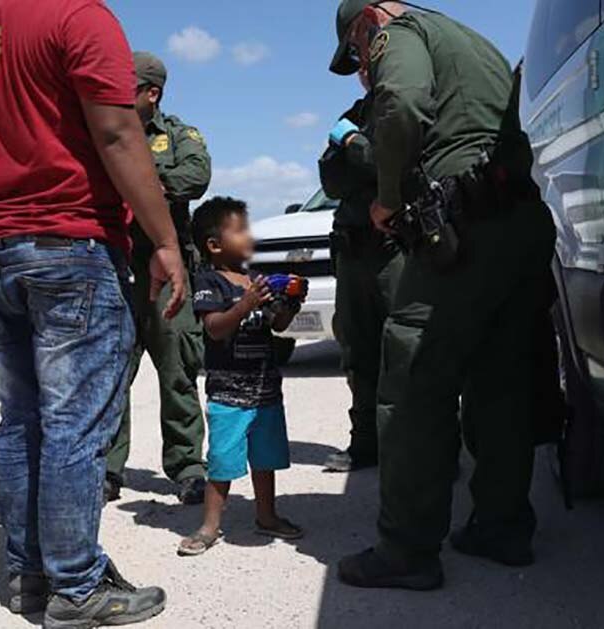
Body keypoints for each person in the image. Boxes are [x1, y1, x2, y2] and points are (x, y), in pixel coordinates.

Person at [0, 1, 185, 626]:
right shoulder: (78, 17)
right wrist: (165, 240)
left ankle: (29, 576)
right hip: (72, 244)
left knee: (22, 419)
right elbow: (117, 132)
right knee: (75, 424)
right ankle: (78, 588)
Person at [328, 1, 558, 590]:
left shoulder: (397, 32)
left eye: (356, 52)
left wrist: (386, 194)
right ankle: (502, 527)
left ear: (368, 21)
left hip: (463, 228)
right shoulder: (473, 42)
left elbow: (402, 105)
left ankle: (406, 549)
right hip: (518, 221)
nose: (361, 67)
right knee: (501, 376)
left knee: (411, 381)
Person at [104, 51, 211, 505]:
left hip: (167, 269)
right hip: (116, 266)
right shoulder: (101, 132)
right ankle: (106, 469)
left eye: (125, 90)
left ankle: (187, 467)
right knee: (110, 374)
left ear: (152, 94)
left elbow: (195, 175)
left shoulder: (178, 135)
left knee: (178, 370)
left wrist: (138, 179)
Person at [177, 197, 305, 557]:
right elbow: (216, 329)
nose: (248, 235)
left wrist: (290, 304)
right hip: (228, 394)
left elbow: (276, 325)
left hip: (265, 389)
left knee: (265, 459)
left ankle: (267, 515)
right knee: (222, 461)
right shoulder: (209, 281)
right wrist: (245, 304)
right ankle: (209, 526)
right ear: (214, 245)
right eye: (239, 230)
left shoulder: (254, 280)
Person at [319, 72, 405, 473]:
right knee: (358, 352)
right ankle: (366, 443)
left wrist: (353, 143)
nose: (364, 70)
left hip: (395, 250)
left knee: (407, 351)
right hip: (353, 252)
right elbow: (332, 180)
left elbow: (385, 162)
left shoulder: (401, 107)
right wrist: (358, 151)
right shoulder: (354, 113)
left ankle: (425, 443)